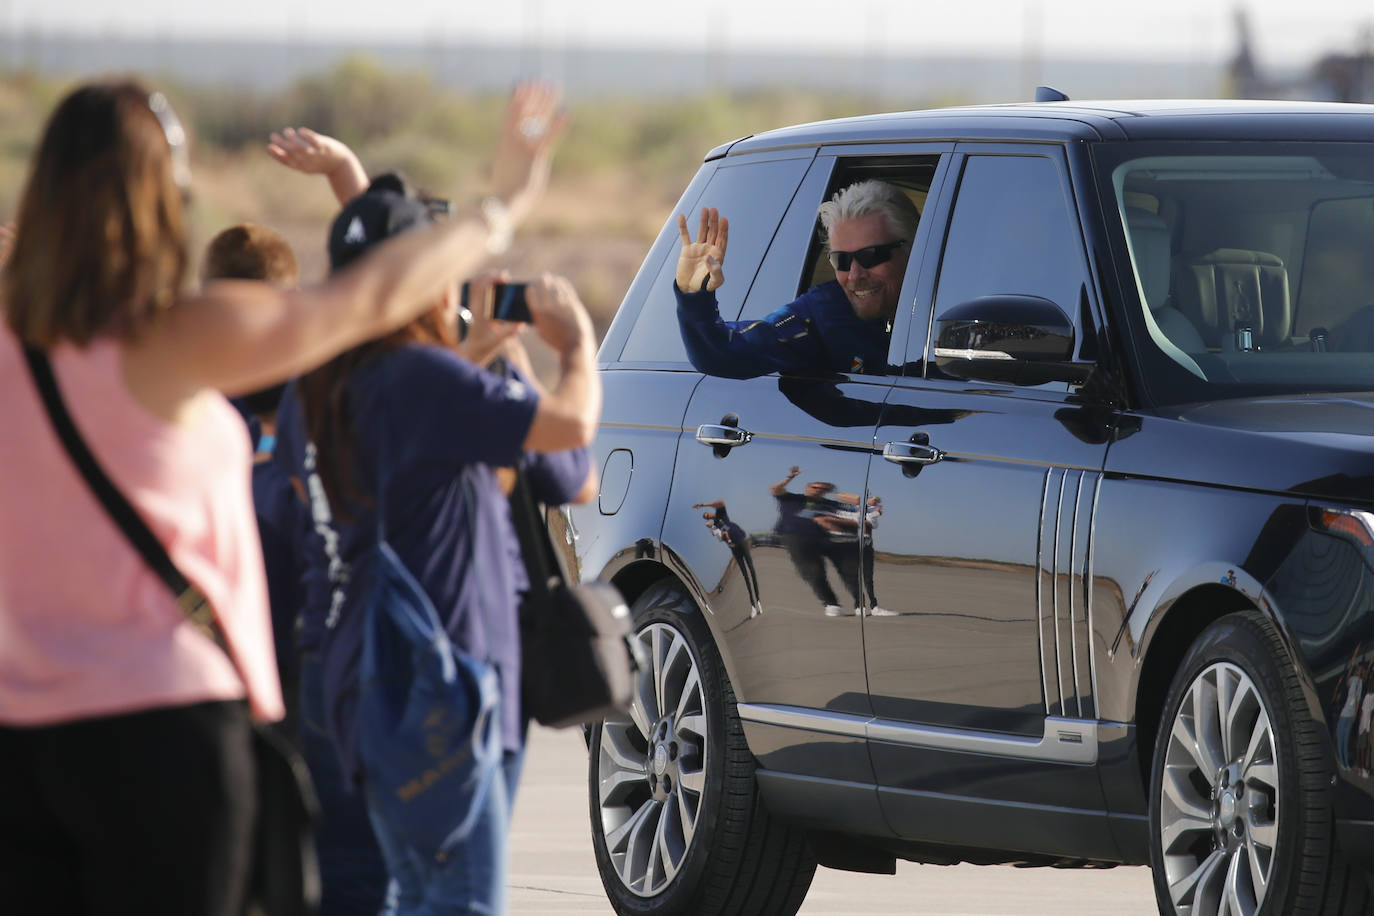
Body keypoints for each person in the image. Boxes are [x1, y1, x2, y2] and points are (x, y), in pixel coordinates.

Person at [0, 76, 559, 915]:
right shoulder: (175, 341)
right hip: (165, 729)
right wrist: (500, 208)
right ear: (165, 201)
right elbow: (366, 297)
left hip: (20, 741)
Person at [273, 173, 599, 915]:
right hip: (442, 679)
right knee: (457, 901)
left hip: (354, 671)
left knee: (388, 893)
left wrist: (475, 353)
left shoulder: (311, 385)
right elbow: (571, 442)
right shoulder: (421, 378)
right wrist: (576, 347)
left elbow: (307, 496)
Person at [674, 178, 920, 379]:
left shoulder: (950, 306)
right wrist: (694, 297)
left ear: (915, 251)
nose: (855, 275)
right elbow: (726, 352)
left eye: (870, 256)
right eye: (841, 261)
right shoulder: (824, 313)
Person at [695, 499, 763, 616]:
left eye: (707, 514)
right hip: (734, 548)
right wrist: (712, 528)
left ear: (710, 512)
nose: (708, 516)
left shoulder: (722, 514)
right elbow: (721, 538)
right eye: (706, 517)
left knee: (751, 570)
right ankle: (752, 606)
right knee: (745, 576)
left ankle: (758, 601)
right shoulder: (715, 526)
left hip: (741, 541)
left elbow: (721, 502)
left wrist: (702, 505)